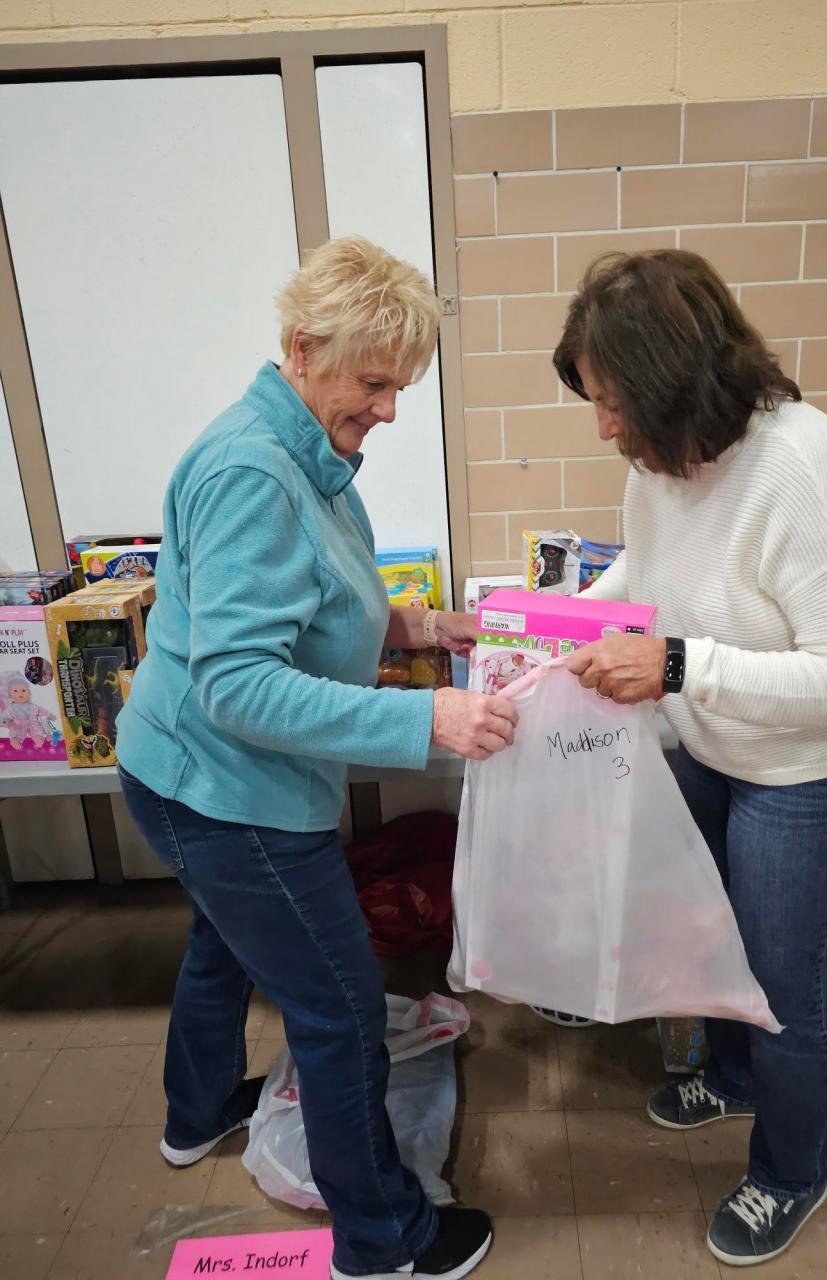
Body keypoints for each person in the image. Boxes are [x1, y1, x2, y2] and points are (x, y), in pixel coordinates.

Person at [116, 236, 517, 1280]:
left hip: (186, 775)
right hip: (223, 790)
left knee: (221, 940)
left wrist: (419, 630)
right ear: (303, 347)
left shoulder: (307, 449)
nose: (389, 408)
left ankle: (196, 1113)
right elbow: (239, 683)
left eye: (400, 386)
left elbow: (320, 597)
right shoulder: (251, 470)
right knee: (340, 1004)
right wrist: (426, 724)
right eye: (375, 382)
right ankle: (385, 1239)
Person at [555, 249, 827, 1268]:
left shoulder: (798, 462)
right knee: (709, 925)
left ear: (674, 381)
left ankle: (791, 1169)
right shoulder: (660, 458)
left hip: (816, 764)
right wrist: (545, 626)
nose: (604, 425)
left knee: (781, 977)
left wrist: (674, 661)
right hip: (719, 729)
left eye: (614, 399)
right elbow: (648, 565)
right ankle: (736, 1074)